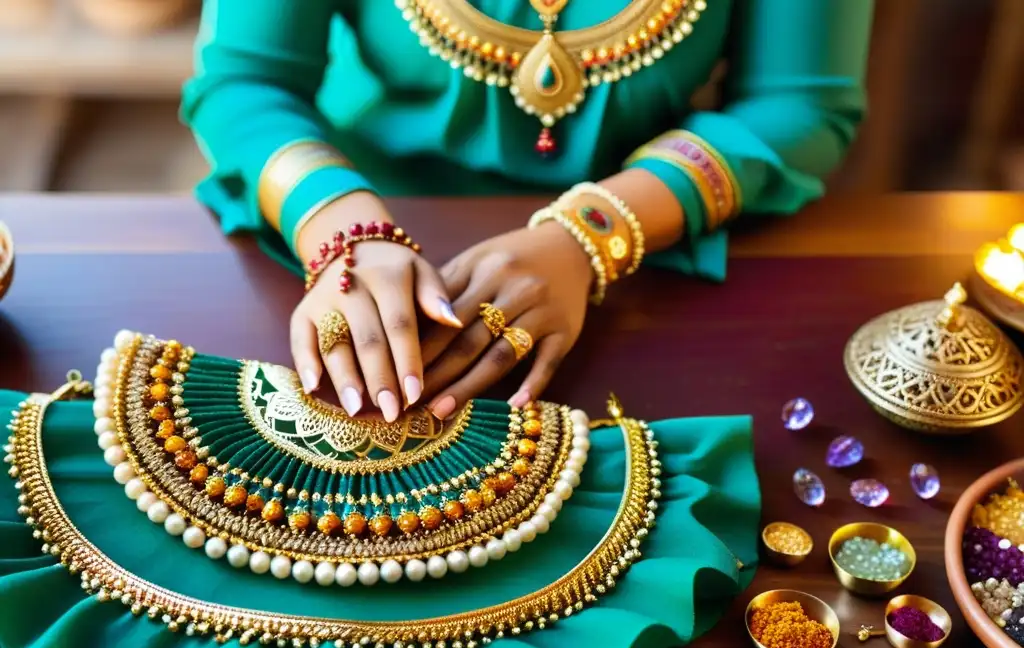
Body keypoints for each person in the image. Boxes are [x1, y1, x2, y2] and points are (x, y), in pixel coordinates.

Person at [182, 0, 873, 423]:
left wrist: (592, 233)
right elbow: (245, 80)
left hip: (645, 256)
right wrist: (341, 229)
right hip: (349, 239)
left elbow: (801, 106)